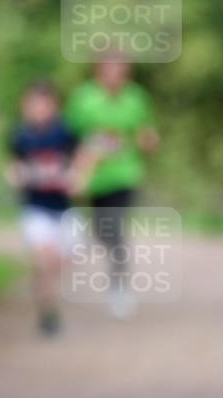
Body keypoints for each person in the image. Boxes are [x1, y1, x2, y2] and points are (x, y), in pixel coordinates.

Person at [64, 58, 159, 318]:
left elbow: (145, 133)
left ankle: (119, 286)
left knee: (115, 230)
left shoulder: (137, 98)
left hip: (125, 174)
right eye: (108, 69)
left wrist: (148, 141)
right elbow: (70, 136)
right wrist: (76, 167)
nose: (113, 75)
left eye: (119, 70)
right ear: (98, 70)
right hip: (93, 177)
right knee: (101, 230)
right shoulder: (83, 98)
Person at [6, 81, 76, 335]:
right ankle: (49, 314)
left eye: (42, 104)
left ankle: (48, 300)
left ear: (54, 106)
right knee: (44, 259)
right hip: (35, 208)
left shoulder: (66, 134)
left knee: (59, 262)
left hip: (64, 209)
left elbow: (80, 164)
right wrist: (20, 177)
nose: (36, 109)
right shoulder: (21, 136)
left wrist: (75, 178)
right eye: (31, 104)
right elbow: (12, 168)